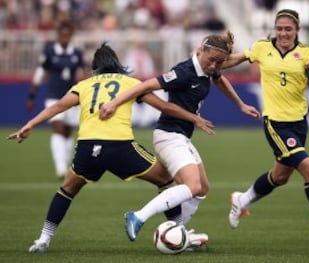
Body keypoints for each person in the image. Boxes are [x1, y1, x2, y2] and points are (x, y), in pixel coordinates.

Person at [7, 43, 215, 253]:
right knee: (165, 179)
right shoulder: (130, 83)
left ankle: (43, 240)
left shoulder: (85, 84)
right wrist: (194, 118)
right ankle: (177, 232)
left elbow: (57, 107)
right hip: (120, 147)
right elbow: (165, 107)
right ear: (117, 63)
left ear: (94, 66)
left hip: (88, 148)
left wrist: (29, 125)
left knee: (67, 190)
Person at [99, 30, 260, 242]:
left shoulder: (209, 67)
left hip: (181, 137)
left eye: (218, 63)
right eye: (211, 60)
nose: (213, 66)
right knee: (192, 186)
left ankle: (176, 233)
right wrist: (113, 103)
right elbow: (144, 86)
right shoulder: (183, 72)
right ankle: (137, 217)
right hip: (168, 136)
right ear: (200, 50)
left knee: (202, 188)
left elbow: (220, 79)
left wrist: (240, 105)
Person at [222, 9, 309, 243]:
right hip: (275, 123)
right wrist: (215, 59)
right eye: (280, 28)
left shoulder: (306, 52)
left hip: (299, 123)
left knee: (280, 176)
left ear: (297, 31)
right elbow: (233, 60)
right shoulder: (262, 47)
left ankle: (241, 200)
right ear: (275, 29)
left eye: (288, 29)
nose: (283, 33)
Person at [27, 20, 86, 180]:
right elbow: (40, 73)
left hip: (72, 97)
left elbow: (83, 75)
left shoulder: (77, 54)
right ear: (58, 35)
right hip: (54, 97)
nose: (64, 38)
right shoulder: (50, 52)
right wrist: (32, 95)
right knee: (58, 127)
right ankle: (60, 167)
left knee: (67, 131)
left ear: (71, 36)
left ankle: (65, 165)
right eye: (62, 35)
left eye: (67, 35)